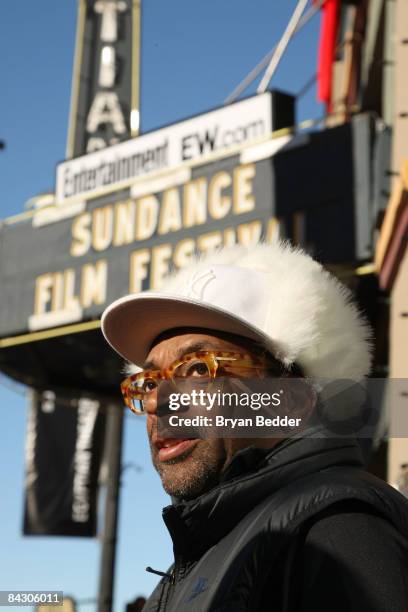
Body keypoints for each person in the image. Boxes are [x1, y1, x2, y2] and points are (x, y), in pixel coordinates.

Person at [102, 241, 408, 611]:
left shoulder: (336, 529)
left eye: (199, 369)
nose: (157, 401)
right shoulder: (201, 558)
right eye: (149, 381)